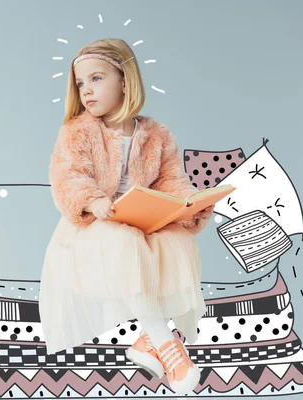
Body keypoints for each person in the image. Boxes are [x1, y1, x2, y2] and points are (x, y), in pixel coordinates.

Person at [38, 38, 214, 396]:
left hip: (140, 218)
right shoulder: (78, 131)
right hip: (96, 225)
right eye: (80, 83)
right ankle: (168, 348)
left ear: (124, 79)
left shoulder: (157, 135)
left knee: (176, 241)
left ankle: (149, 340)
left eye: (96, 78)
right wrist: (91, 200)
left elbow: (170, 179)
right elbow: (68, 175)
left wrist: (189, 201)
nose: (86, 90)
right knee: (122, 242)